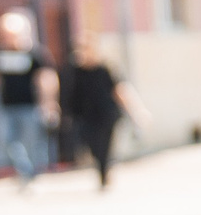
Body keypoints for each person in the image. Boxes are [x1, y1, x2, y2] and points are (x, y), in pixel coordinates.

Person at [0, 11, 57, 191]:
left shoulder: (35, 54)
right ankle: (25, 171)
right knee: (6, 141)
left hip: (30, 106)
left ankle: (30, 174)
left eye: (11, 35)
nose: (8, 39)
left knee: (31, 143)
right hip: (6, 107)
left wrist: (49, 103)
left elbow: (46, 79)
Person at [60, 35, 142, 190]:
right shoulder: (73, 70)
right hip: (85, 116)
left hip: (106, 114)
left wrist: (136, 111)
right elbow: (67, 93)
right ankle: (102, 170)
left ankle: (104, 174)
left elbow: (120, 89)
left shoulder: (106, 68)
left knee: (106, 147)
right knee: (93, 146)